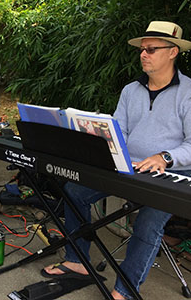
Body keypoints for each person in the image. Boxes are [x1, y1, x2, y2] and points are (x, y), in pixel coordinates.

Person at [41, 21, 191, 299]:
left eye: (151, 49)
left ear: (172, 52)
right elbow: (118, 132)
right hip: (127, 165)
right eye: (142, 49)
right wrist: (97, 138)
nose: (143, 54)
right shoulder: (130, 90)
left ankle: (125, 290)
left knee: (147, 222)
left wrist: (165, 157)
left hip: (171, 174)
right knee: (74, 191)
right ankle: (77, 260)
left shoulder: (189, 92)